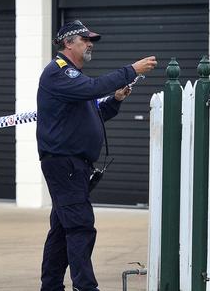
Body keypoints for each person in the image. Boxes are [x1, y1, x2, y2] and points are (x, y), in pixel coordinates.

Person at [36, 20, 157, 291]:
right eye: (85, 39)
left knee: (61, 230)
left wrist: (115, 100)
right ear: (68, 43)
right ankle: (85, 286)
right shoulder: (59, 73)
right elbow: (93, 88)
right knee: (80, 226)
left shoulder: (75, 80)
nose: (90, 44)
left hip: (73, 165)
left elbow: (95, 114)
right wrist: (131, 71)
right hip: (64, 163)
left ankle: (51, 286)